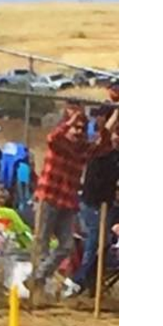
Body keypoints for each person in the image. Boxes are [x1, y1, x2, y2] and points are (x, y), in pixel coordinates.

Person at [33, 101, 111, 288]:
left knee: (66, 246)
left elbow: (103, 145)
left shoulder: (83, 150)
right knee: (42, 243)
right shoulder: (58, 143)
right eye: (75, 128)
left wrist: (113, 116)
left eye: (82, 129)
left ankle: (37, 277)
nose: (78, 132)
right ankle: (37, 287)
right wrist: (72, 119)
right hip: (48, 198)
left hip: (67, 202)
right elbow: (53, 136)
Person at [70, 86, 118, 297]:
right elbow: (106, 132)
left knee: (103, 243)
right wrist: (118, 110)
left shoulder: (117, 155)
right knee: (95, 241)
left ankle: (90, 284)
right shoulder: (100, 148)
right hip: (91, 203)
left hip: (106, 204)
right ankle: (78, 281)